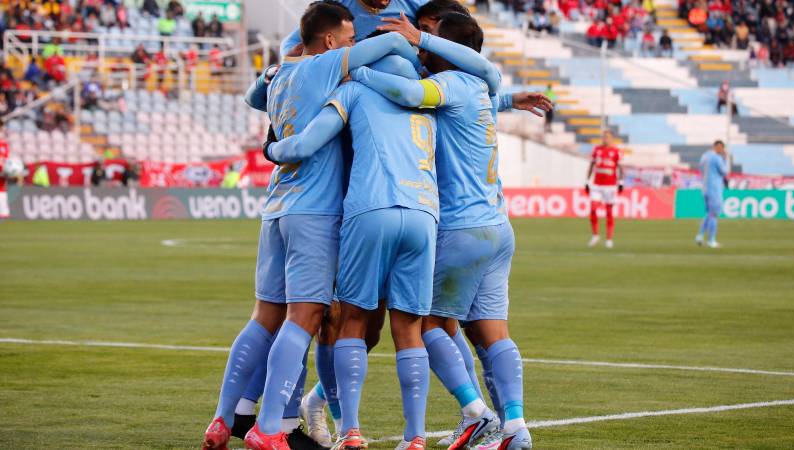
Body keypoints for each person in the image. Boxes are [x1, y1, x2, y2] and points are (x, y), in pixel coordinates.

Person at [202, 2, 422, 449]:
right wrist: (411, 37)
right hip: (316, 212)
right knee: (306, 319)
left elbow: (251, 98)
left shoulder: (280, 73)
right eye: (348, 38)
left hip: (277, 208)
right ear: (327, 42)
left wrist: (272, 74)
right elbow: (396, 42)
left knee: (264, 316)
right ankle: (268, 429)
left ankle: (222, 420)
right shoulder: (327, 64)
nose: (352, 44)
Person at [352, 11, 552, 450]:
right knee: (493, 331)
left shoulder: (446, 86)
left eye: (432, 40)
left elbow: (406, 91)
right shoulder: (478, 89)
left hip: (462, 228)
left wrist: (356, 69)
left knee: (424, 324)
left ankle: (476, 414)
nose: (424, 48)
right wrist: (512, 99)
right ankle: (516, 427)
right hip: (498, 227)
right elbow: (473, 93)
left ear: (447, 49)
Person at [267, 52, 439, 450]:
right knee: (409, 329)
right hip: (423, 213)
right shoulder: (425, 99)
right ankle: (415, 437)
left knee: (353, 322)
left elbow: (306, 143)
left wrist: (272, 149)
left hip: (371, 208)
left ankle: (351, 431)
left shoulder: (355, 89)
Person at [585, 130, 623, 249]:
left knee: (609, 212)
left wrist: (621, 182)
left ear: (612, 139)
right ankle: (595, 235)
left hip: (610, 185)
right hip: (597, 185)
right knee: (593, 209)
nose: (605, 139)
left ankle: (609, 239)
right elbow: (591, 165)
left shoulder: (616, 151)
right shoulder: (597, 150)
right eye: (604, 137)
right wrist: (587, 181)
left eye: (607, 137)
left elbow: (620, 167)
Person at [695, 140, 728, 248]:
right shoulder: (717, 158)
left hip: (705, 188)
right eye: (722, 148)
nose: (722, 150)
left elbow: (700, 169)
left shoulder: (704, 156)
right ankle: (711, 240)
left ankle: (699, 236)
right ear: (718, 147)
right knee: (713, 214)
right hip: (714, 189)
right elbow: (724, 171)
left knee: (709, 213)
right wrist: (725, 159)